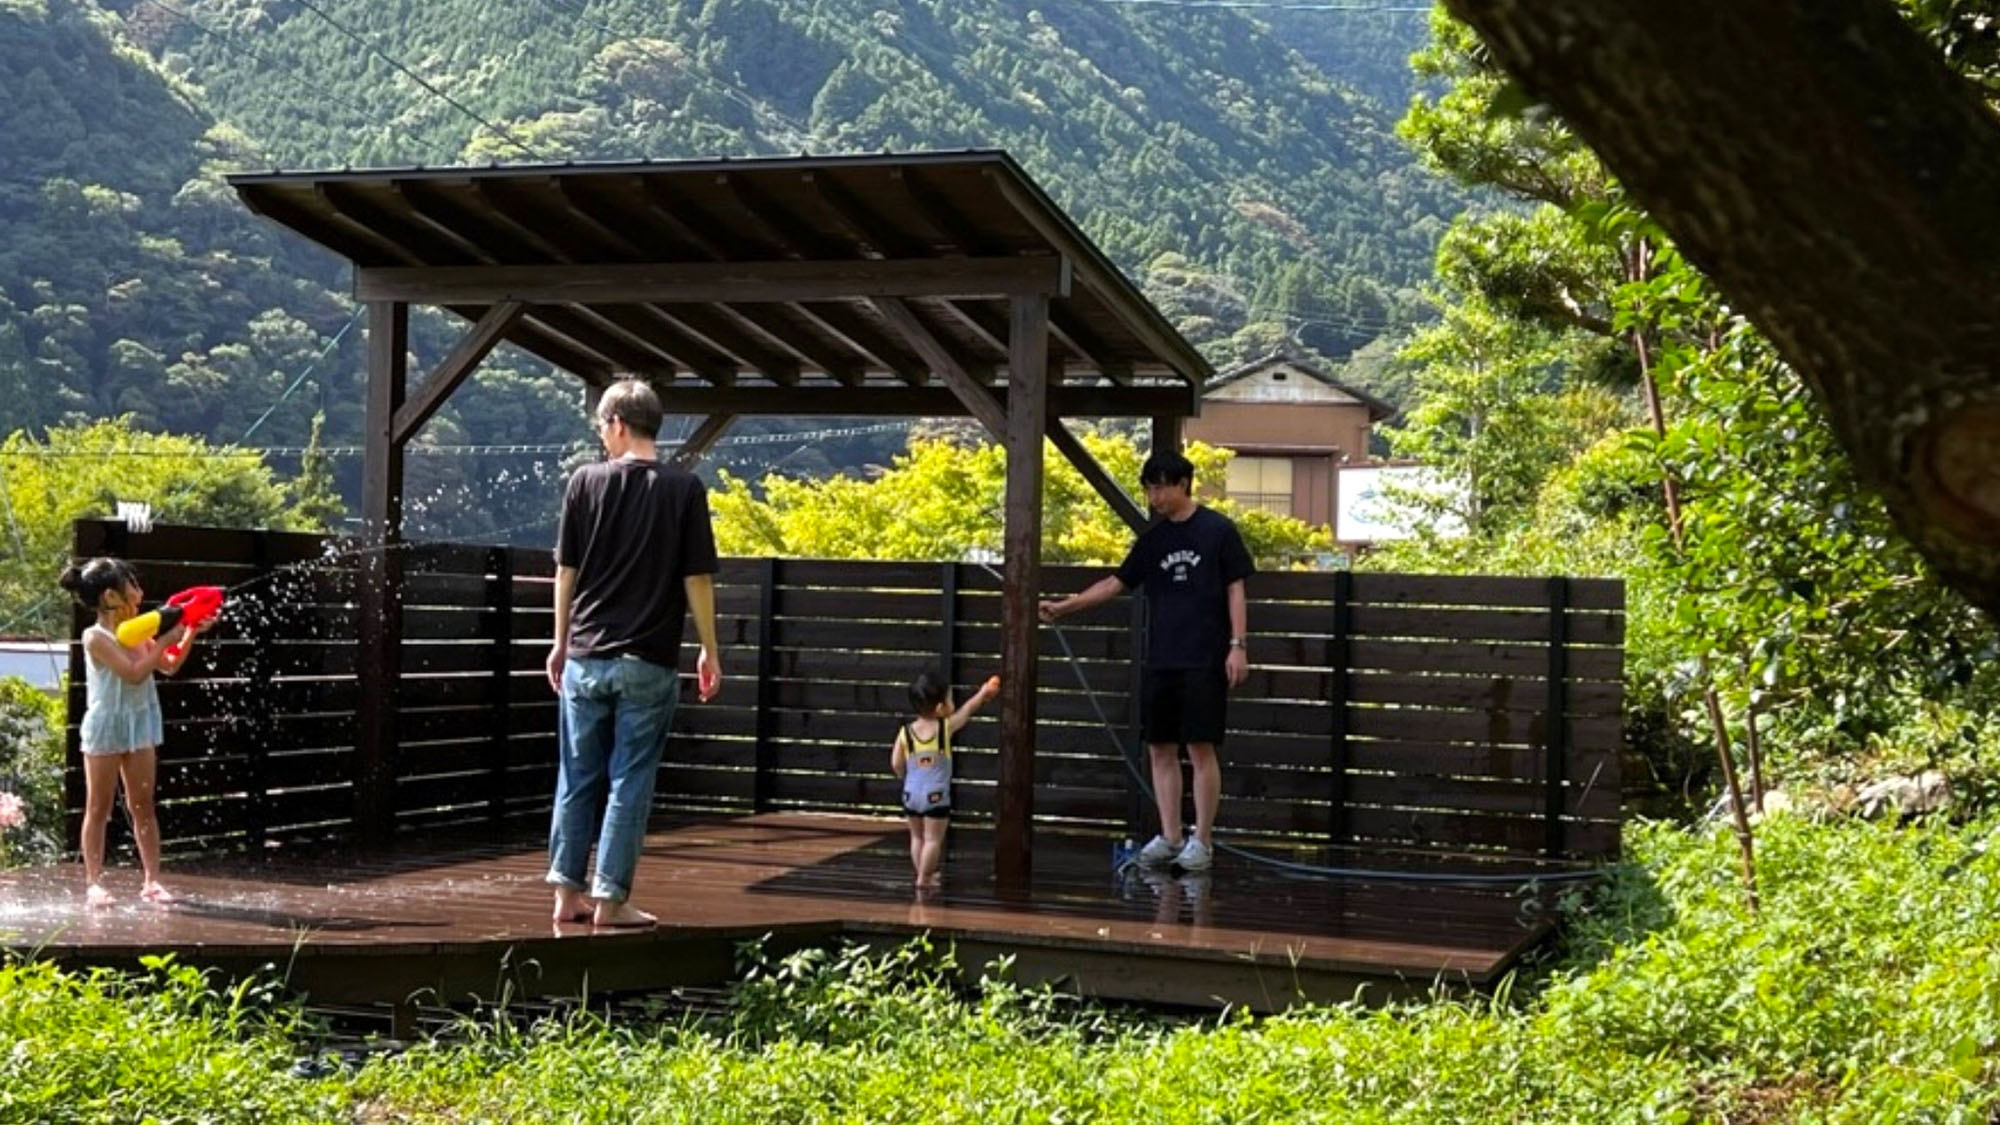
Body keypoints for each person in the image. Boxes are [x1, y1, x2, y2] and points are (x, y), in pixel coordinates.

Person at [545, 378, 722, 929]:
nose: (601, 436)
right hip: (647, 660)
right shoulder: (684, 489)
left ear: (618, 424)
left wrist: (560, 643)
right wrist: (709, 650)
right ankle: (610, 901)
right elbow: (697, 579)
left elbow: (566, 573)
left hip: (585, 657)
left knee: (577, 776)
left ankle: (566, 895)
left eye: (602, 426)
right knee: (630, 779)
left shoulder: (584, 482)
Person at [1038, 450, 1252, 872]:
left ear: (1183, 484)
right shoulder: (1153, 540)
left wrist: (1238, 645)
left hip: (1205, 656)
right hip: (1162, 657)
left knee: (1200, 747)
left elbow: (1236, 590)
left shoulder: (1218, 531)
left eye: (1160, 488)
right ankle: (1171, 837)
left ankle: (1202, 841)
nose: (1154, 497)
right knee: (1160, 747)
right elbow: (1114, 583)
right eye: (1149, 489)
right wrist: (1065, 607)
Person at [59, 557, 207, 908]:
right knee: (99, 807)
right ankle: (94, 883)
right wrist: (164, 640)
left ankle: (152, 881)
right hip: (106, 726)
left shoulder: (137, 629)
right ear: (111, 596)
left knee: (143, 804)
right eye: (132, 586)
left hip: (139, 722)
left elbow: (168, 665)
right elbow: (134, 672)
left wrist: (189, 631)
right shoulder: (95, 637)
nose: (140, 593)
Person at [892, 671, 998, 889]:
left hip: (911, 794)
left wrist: (905, 777)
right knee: (933, 839)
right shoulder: (944, 728)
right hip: (935, 796)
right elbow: (967, 710)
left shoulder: (906, 733)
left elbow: (896, 763)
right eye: (950, 698)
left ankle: (922, 874)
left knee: (917, 838)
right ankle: (924, 878)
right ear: (940, 707)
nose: (953, 703)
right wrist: (983, 694)